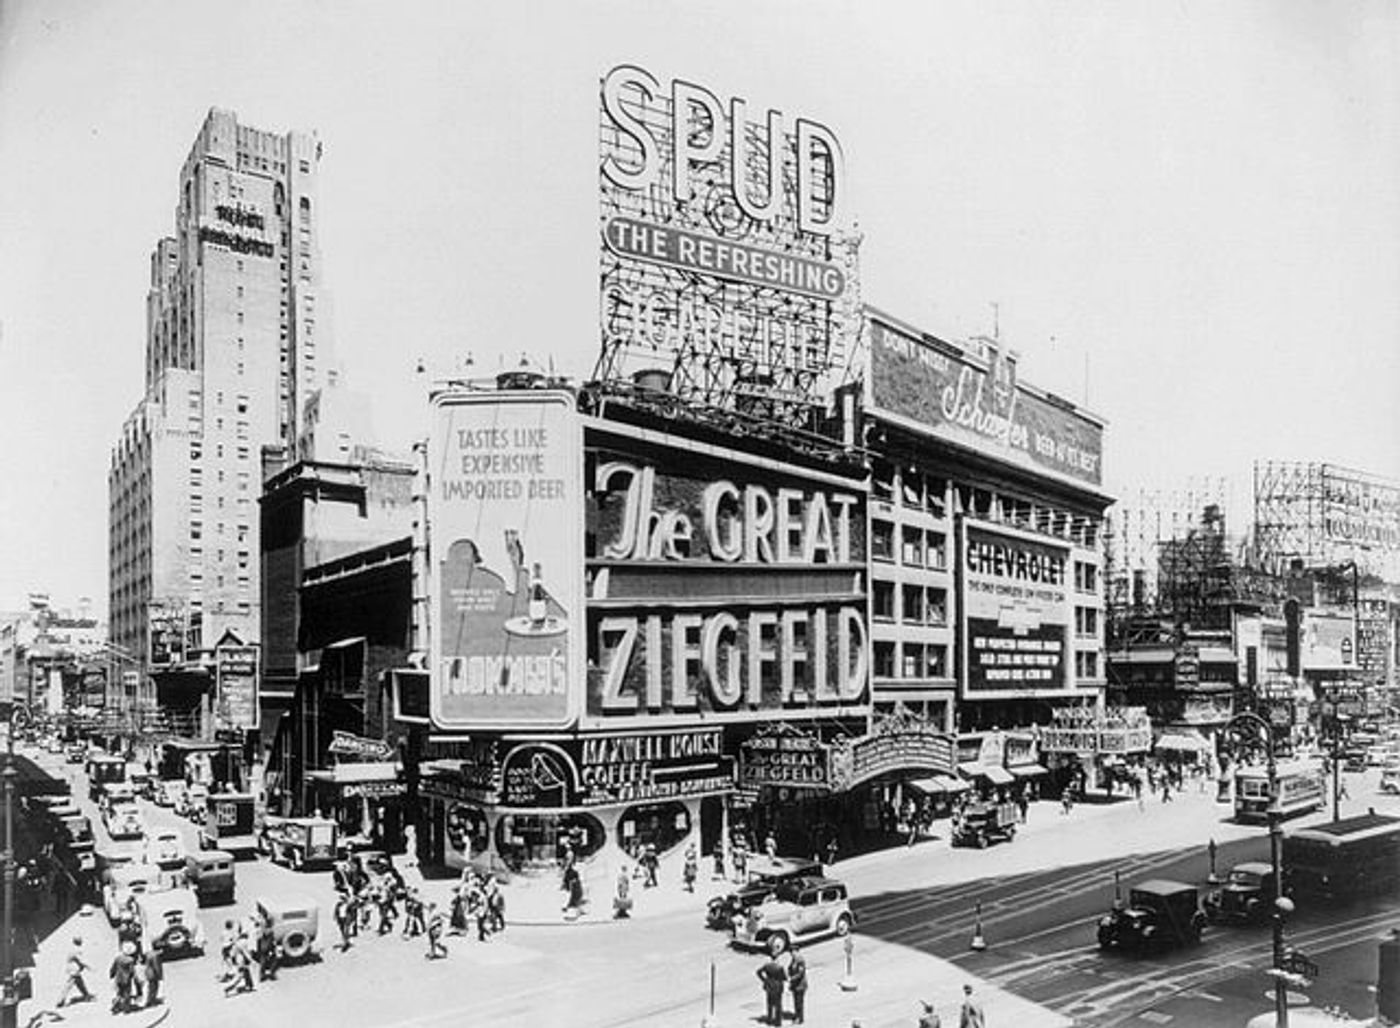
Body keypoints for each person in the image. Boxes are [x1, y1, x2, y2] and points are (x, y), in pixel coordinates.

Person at [55, 936, 92, 1008]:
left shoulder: (72, 948)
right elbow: (81, 961)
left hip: (72, 970)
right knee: (68, 986)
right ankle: (60, 1001)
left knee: (80, 984)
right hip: (74, 971)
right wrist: (89, 967)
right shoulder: (77, 950)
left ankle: (86, 995)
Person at [756, 952, 786, 1026]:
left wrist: (764, 980)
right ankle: (777, 1022)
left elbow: (758, 972)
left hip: (769, 986)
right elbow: (784, 977)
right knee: (778, 1005)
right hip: (777, 987)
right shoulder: (779, 967)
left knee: (769, 1004)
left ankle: (769, 1020)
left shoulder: (767, 966)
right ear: (777, 958)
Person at [109, 941, 138, 1014]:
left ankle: (115, 1006)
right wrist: (134, 977)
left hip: (118, 978)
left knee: (119, 993)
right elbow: (131, 970)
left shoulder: (118, 958)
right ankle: (126, 1009)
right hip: (126, 979)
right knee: (126, 994)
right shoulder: (130, 960)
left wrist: (112, 974)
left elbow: (113, 967)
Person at [786, 950, 808, 1025]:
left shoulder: (800, 960)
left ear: (797, 952)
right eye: (791, 953)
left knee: (799, 1002)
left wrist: (792, 978)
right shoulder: (793, 960)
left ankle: (800, 1018)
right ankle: (797, 1016)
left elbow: (801, 973)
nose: (792, 954)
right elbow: (790, 968)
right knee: (796, 1002)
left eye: (793, 952)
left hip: (800, 985)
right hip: (795, 985)